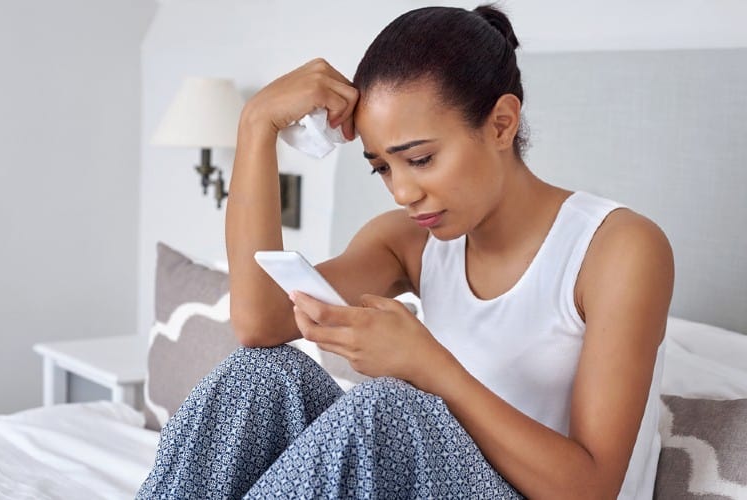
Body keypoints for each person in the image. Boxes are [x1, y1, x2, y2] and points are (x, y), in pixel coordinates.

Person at [137, 4, 673, 499]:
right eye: (382, 168)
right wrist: (256, 126)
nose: (401, 192)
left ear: (502, 124)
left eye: (419, 159)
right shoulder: (409, 240)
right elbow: (259, 323)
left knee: (386, 410)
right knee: (261, 375)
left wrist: (428, 366)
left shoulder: (618, 249)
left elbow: (592, 487)